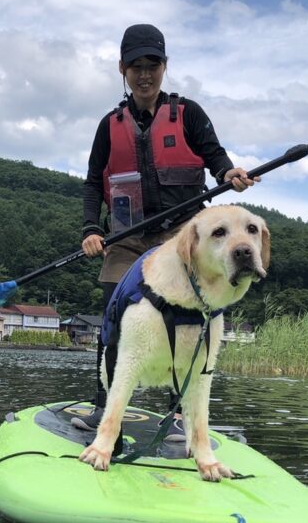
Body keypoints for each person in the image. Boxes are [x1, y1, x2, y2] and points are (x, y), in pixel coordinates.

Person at [72, 23, 259, 437]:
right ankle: (105, 410)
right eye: (135, 66)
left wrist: (230, 173)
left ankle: (178, 415)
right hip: (125, 239)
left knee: (187, 321)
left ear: (164, 66)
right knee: (113, 320)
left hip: (179, 238)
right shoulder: (109, 124)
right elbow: (91, 181)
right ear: (122, 68)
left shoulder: (187, 113)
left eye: (152, 65)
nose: (144, 74)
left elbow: (215, 157)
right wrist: (90, 228)